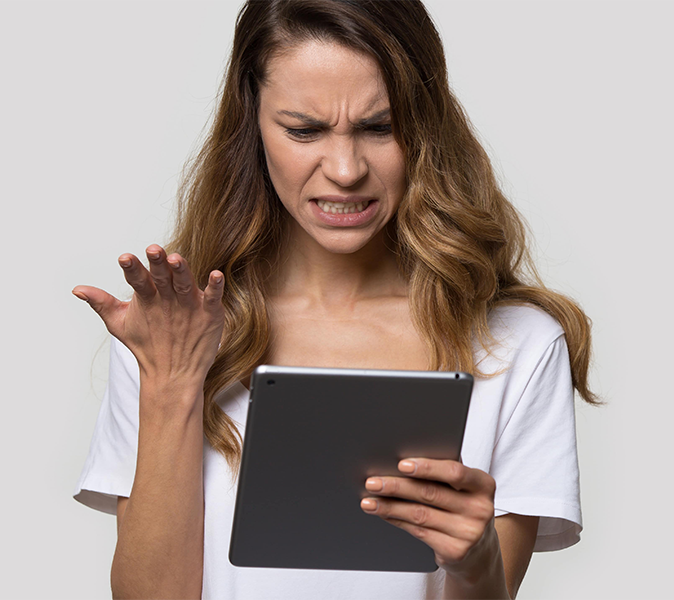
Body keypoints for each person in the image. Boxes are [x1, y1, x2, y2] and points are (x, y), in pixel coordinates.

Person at [70, 1, 599, 598]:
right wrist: (172, 379)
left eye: (380, 127)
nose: (346, 170)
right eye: (305, 130)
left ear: (424, 128)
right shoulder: (176, 327)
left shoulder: (517, 344)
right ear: (252, 125)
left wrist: (475, 561)